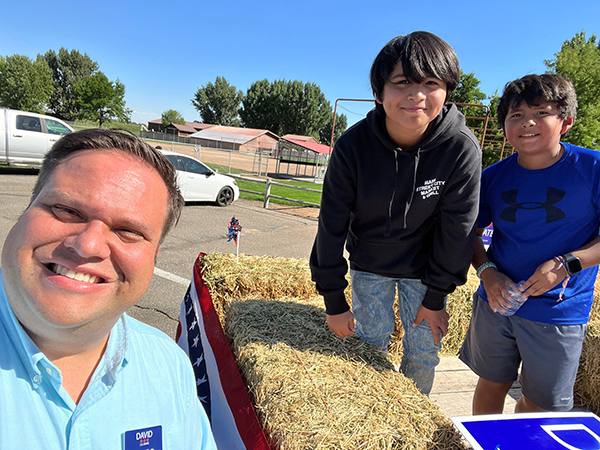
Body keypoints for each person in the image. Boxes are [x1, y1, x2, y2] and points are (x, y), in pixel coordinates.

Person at [0, 129, 217, 449]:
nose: (87, 245)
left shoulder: (169, 365)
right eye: (66, 210)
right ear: (26, 211)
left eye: (128, 231)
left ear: (154, 257)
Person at [309, 31, 481, 395]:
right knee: (368, 343)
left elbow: (459, 229)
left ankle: (414, 419)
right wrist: (335, 302)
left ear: (447, 90)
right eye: (402, 82)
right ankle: (368, 413)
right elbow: (331, 224)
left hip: (426, 269)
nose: (416, 94)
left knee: (423, 350)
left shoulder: (460, 148)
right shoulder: (353, 146)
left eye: (430, 83)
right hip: (370, 262)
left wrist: (436, 299)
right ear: (379, 92)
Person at [459, 74, 600, 414]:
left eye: (541, 112)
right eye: (516, 115)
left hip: (559, 309)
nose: (528, 123)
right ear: (505, 124)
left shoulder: (592, 168)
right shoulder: (492, 177)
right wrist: (488, 273)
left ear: (565, 121)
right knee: (492, 382)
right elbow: (471, 235)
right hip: (496, 302)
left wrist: (570, 263)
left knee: (542, 403)